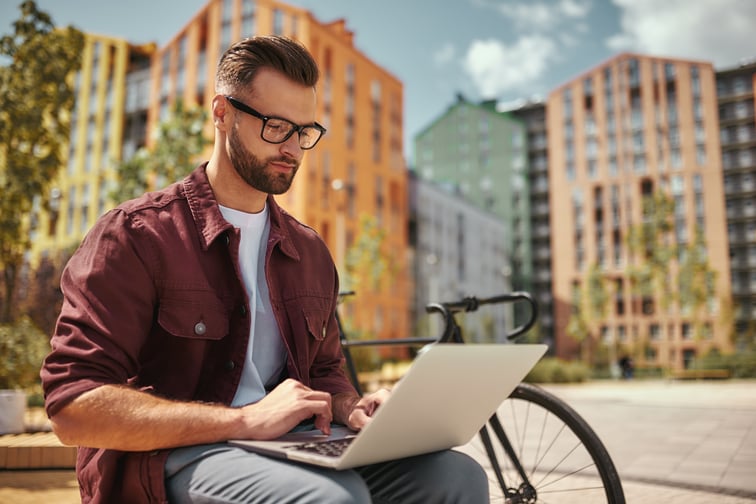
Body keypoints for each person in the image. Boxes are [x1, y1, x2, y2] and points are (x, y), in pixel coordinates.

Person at [41, 35, 488, 503]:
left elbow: (325, 371)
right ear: (221, 113)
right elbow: (73, 406)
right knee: (333, 498)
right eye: (276, 126)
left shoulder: (309, 251)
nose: (293, 148)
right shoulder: (135, 234)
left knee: (457, 478)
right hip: (172, 457)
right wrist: (244, 420)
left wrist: (353, 406)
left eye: (304, 131)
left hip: (290, 445)